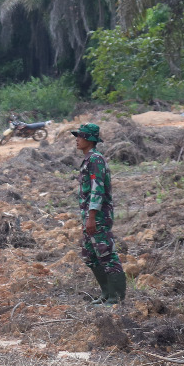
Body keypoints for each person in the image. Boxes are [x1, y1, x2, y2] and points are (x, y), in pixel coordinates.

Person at [72, 123, 126, 305]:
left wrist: (92, 216)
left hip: (98, 217)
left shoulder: (96, 160)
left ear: (89, 139)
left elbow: (97, 190)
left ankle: (116, 297)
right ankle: (106, 293)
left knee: (106, 255)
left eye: (80, 136)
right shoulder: (88, 159)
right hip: (90, 216)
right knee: (91, 255)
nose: (77, 139)